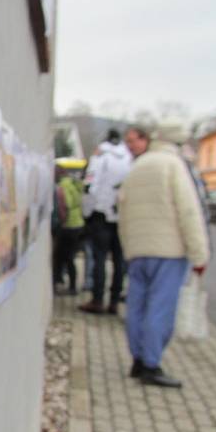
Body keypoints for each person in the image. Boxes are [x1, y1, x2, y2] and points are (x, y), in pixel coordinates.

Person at [117, 124, 210, 388]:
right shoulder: (173, 166)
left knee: (137, 306)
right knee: (160, 308)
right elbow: (189, 212)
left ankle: (137, 358)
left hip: (138, 251)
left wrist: (128, 247)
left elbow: (122, 213)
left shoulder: (137, 167)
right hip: (169, 252)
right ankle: (150, 364)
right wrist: (199, 254)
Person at [78, 129, 132, 314]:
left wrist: (86, 212)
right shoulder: (129, 158)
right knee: (119, 260)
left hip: (100, 213)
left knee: (99, 257)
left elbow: (90, 186)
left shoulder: (100, 156)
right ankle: (114, 301)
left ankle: (98, 298)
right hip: (122, 216)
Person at [52, 166, 84, 294]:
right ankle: (72, 286)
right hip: (78, 224)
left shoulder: (62, 187)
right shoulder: (74, 184)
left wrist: (60, 222)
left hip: (67, 226)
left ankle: (62, 284)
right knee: (70, 257)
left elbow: (65, 205)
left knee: (62, 256)